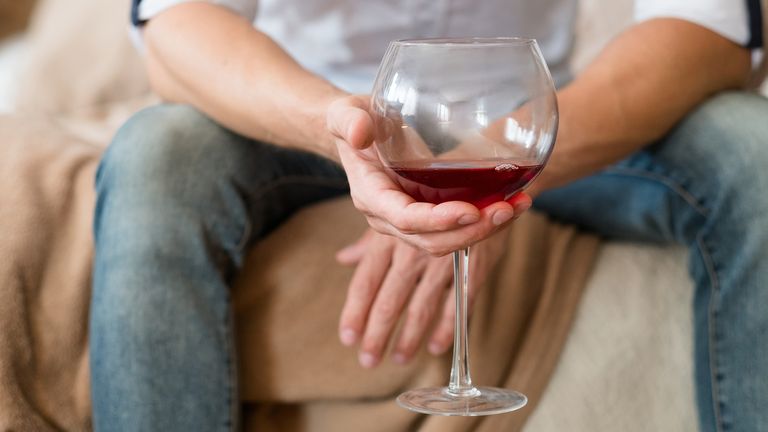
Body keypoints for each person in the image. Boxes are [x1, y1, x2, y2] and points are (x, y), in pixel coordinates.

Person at [90, 0, 768, 430]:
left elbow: (711, 27)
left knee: (753, 145)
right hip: (308, 111)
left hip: (542, 124)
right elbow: (177, 22)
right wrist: (335, 124)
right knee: (157, 148)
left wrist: (489, 171)